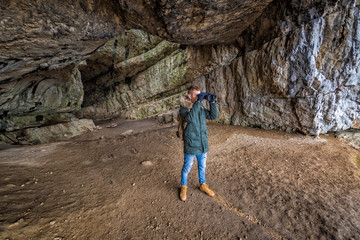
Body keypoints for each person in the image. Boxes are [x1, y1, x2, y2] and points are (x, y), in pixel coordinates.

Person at [178, 85, 218, 201]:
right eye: (196, 95)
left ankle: (202, 184)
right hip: (191, 144)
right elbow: (190, 118)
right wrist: (199, 102)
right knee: (187, 167)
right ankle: (183, 186)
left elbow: (213, 116)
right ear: (189, 96)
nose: (199, 97)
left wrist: (213, 102)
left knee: (202, 166)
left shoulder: (199, 107)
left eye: (200, 95)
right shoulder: (184, 109)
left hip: (202, 143)